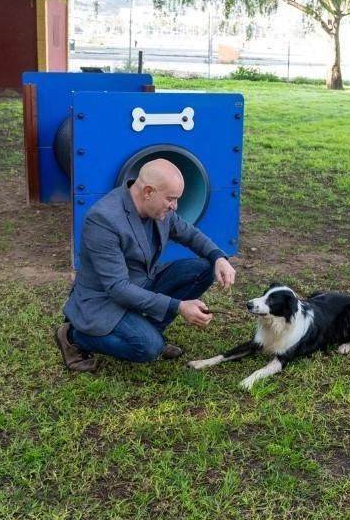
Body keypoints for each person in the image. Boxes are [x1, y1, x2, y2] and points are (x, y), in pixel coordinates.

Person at [53, 158, 236, 370]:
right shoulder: (103, 220)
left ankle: (150, 330)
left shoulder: (159, 208)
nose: (175, 206)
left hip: (141, 282)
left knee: (204, 269)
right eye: (171, 199)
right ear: (148, 192)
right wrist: (178, 306)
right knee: (147, 348)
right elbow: (118, 289)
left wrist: (218, 257)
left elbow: (189, 234)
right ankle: (74, 335)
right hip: (106, 299)